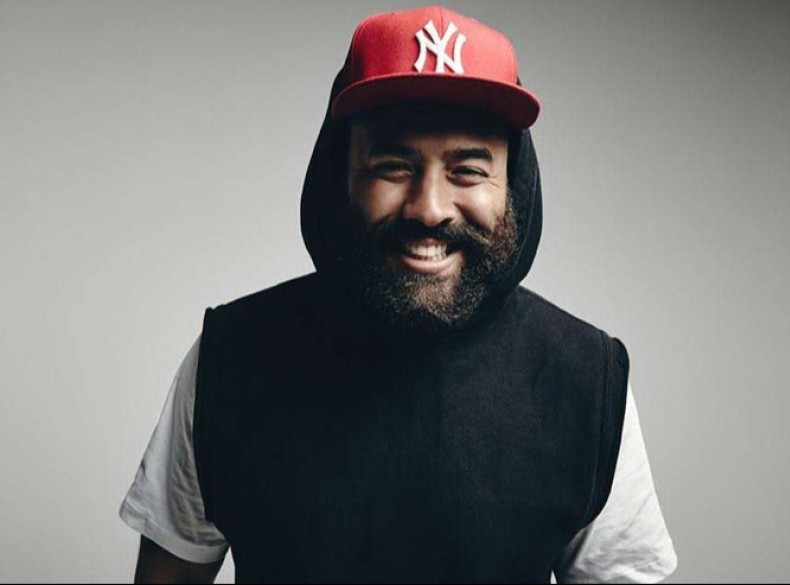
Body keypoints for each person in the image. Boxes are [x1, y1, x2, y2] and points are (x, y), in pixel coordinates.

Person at [120, 5, 677, 583]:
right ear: (341, 175)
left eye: (467, 170)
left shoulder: (585, 380)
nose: (429, 209)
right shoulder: (230, 358)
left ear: (513, 183)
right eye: (392, 165)